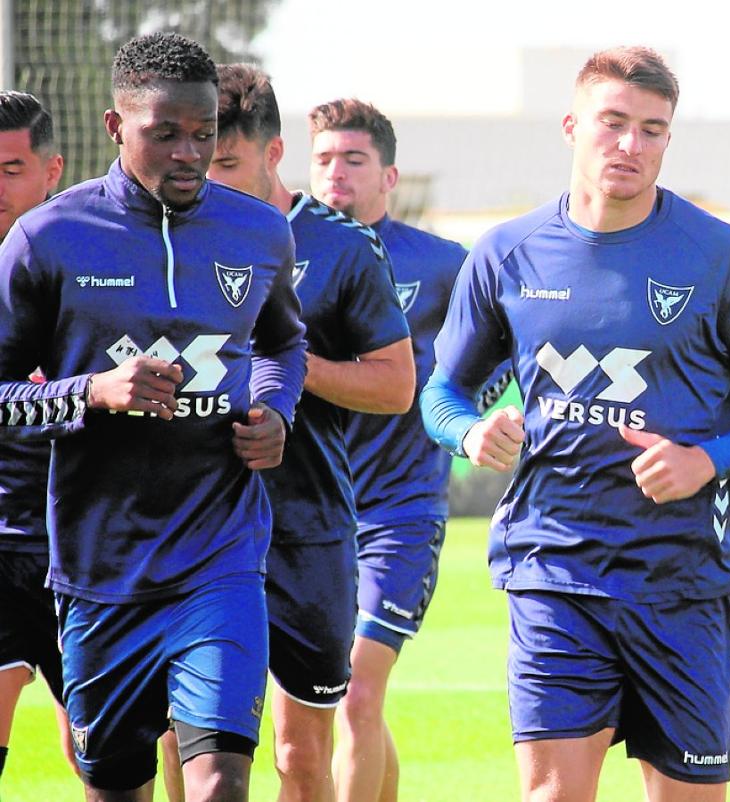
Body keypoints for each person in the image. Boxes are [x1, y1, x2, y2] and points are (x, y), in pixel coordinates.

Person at [421, 46, 730, 802]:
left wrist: (706, 461)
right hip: (554, 571)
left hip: (683, 582)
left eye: (652, 130)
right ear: (573, 126)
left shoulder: (721, 255)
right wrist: (470, 433)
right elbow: (444, 392)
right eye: (613, 123)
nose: (631, 145)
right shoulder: (507, 253)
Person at [0, 32, 307, 802]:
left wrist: (275, 409)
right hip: (101, 575)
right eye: (163, 134)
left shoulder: (259, 232)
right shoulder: (48, 238)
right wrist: (91, 393)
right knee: (117, 790)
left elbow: (284, 343)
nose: (188, 153)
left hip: (221, 561)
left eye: (202, 135)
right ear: (114, 128)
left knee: (218, 785)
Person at [204, 66, 415, 802]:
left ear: (273, 153)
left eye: (227, 162)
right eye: (202, 160)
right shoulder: (167, 235)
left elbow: (395, 385)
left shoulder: (343, 246)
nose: (211, 179)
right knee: (190, 743)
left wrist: (290, 366)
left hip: (308, 530)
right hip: (192, 524)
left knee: (300, 752)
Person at [305, 97, 504, 802]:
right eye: (324, 159)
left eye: (354, 160)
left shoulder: (443, 265)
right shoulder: (287, 259)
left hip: (401, 512)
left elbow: (496, 347)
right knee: (338, 697)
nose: (337, 174)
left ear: (390, 178)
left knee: (356, 690)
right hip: (311, 515)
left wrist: (462, 416)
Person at [0, 90, 74, 786]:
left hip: (82, 539)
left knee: (105, 753)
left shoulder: (92, 265)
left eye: (10, 168)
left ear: (52, 170)